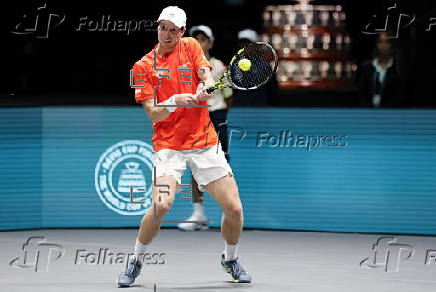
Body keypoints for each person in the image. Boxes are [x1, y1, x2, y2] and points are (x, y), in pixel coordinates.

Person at [117, 6, 251, 287]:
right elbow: (153, 113)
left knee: (235, 209)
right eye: (162, 27)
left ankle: (230, 259)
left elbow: (206, 73)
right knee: (160, 206)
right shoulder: (143, 67)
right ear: (158, 27)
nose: (166, 33)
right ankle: (136, 261)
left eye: (173, 29)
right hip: (169, 146)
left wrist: (206, 84)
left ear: (182, 32)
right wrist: (175, 100)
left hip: (204, 142)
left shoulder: (190, 46)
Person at [177, 25, 233, 231]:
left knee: (221, 167)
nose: (198, 43)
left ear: (210, 43)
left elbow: (228, 98)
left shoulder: (219, 67)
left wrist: (218, 117)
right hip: (194, 120)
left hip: (216, 118)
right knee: (194, 165)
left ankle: (230, 212)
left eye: (203, 39)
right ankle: (198, 215)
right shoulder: (184, 67)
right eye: (195, 39)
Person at [357, 32, 406, 107]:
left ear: (392, 45)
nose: (383, 45)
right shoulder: (367, 67)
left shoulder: (397, 68)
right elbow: (361, 92)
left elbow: (399, 96)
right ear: (376, 44)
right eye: (380, 42)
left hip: (390, 113)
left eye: (387, 42)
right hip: (367, 113)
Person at [232, 29, 279, 106]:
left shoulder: (265, 66)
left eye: (248, 43)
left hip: (259, 109)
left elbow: (272, 91)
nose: (244, 47)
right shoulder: (234, 66)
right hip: (240, 108)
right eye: (242, 43)